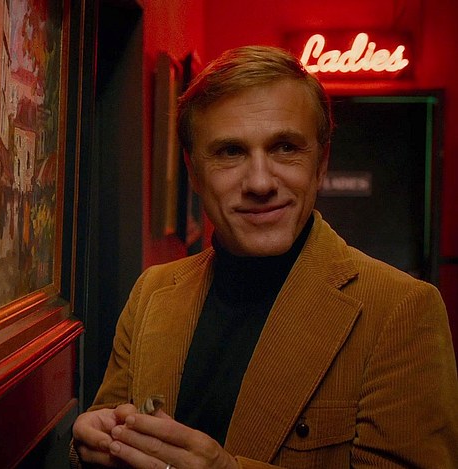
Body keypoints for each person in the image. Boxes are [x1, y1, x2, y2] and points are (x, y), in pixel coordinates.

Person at [71, 45, 458, 468]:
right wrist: (92, 444)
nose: (260, 182)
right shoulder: (152, 291)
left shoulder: (400, 309)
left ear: (321, 163)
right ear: (194, 172)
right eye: (230, 152)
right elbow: (111, 424)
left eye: (285, 147)